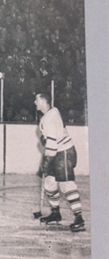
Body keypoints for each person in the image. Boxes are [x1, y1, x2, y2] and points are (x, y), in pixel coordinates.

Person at [35, 93, 85, 232]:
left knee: (66, 185)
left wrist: (46, 163)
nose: (35, 102)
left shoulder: (49, 118)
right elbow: (52, 137)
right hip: (58, 152)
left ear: (44, 101)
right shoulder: (53, 110)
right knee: (50, 183)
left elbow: (52, 145)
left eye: (37, 100)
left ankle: (79, 218)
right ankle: (56, 213)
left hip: (63, 153)